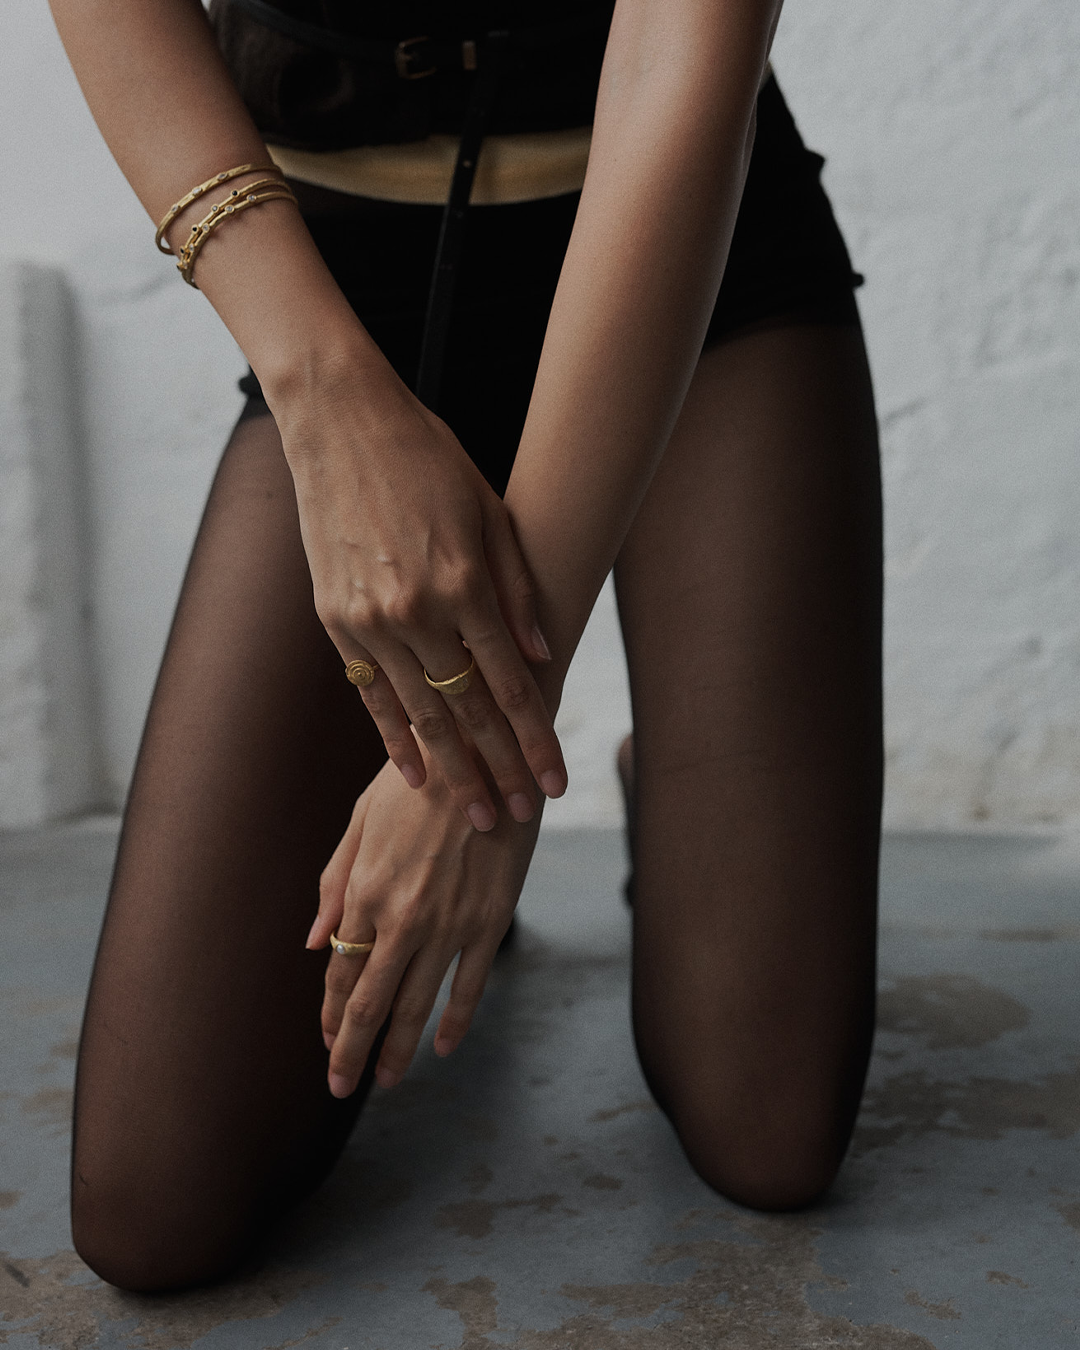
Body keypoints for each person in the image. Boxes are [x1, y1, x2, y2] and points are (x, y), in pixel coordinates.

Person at [52, 0, 883, 1293]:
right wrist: (323, 396)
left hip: (685, 262)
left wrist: (475, 768)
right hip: (337, 284)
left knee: (768, 1127)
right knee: (151, 1205)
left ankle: (659, 784)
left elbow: (679, 61)